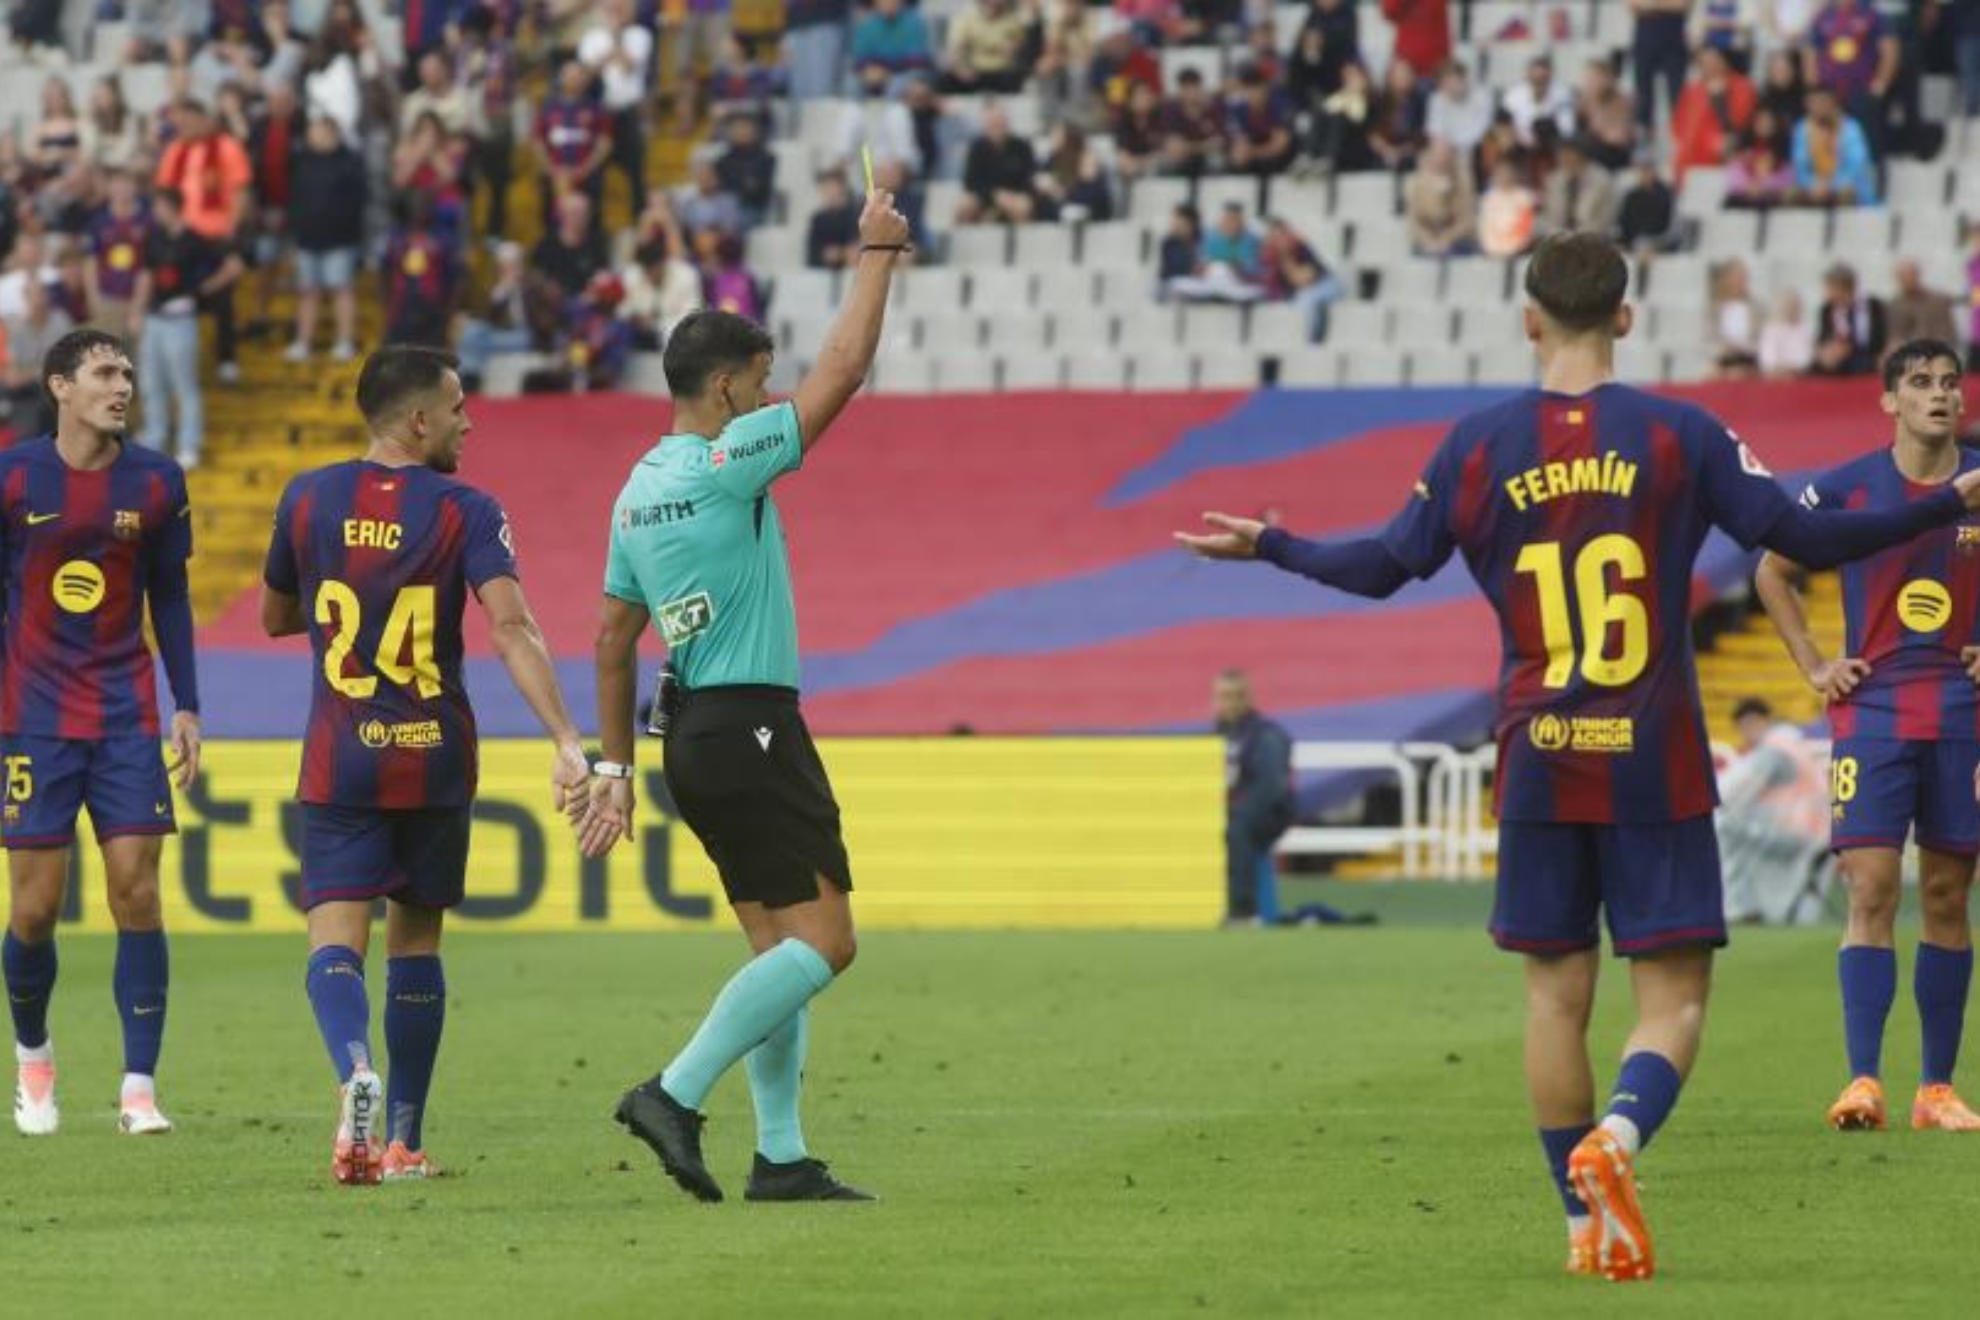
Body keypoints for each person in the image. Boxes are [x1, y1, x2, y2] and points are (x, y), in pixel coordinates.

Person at [1174, 233, 1980, 1282]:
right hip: (1654, 757)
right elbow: (1807, 539)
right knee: (1673, 1000)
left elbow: (1381, 567)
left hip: (1538, 754)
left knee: (1556, 1001)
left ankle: (1578, 1225)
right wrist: (1946, 500)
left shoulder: (1477, 444)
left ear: (1527, 317)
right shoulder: (1681, 434)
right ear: (1629, 317)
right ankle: (1622, 1139)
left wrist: (1272, 544)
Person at [580, 185, 914, 1206]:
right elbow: (846, 371)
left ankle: (781, 1157)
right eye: (761, 381)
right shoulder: (731, 462)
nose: (772, 397)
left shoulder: (636, 490)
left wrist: (614, 774)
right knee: (828, 942)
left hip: (689, 738)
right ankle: (673, 1093)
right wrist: (876, 252)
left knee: (776, 948)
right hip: (755, 721)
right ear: (724, 389)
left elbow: (610, 639)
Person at [258, 345, 590, 1185]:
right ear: (417, 420)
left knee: (335, 939)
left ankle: (352, 1073)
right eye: (456, 407)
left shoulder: (306, 498)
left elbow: (274, 615)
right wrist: (563, 738)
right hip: (435, 756)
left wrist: (352, 610)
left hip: (342, 760)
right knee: (417, 943)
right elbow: (510, 627)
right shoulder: (466, 509)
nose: (468, 421)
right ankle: (402, 1140)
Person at [1751, 339, 1980, 1133]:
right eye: (1920, 384)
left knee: (1949, 894)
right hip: (1874, 710)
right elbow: (1772, 568)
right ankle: (1863, 1081)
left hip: (1963, 711)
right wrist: (1814, 662)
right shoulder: (1846, 489)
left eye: (1950, 383)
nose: (1939, 395)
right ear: (1889, 401)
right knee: (1872, 888)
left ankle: (1937, 1090)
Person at [2, 328, 201, 1139]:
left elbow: (173, 599)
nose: (122, 386)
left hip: (125, 713)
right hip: (35, 720)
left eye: (125, 372)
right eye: (103, 373)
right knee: (35, 911)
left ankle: (139, 1088)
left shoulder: (156, 481)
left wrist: (186, 704)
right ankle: (35, 1061)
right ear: (59, 386)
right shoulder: (14, 475)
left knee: (138, 893)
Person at [1715, 698, 1832, 927]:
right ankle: (1748, 908)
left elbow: (1728, 791)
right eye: (1743, 727)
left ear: (1765, 721)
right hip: (1815, 833)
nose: (1747, 732)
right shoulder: (1794, 744)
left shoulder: (1774, 751)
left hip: (1795, 833)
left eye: (1751, 724)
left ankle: (1738, 909)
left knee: (1723, 823)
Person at [1214, 670, 1292, 926]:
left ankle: (1243, 910)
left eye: (1238, 696)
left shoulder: (1265, 734)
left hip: (1269, 812)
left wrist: (1237, 811)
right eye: (1225, 696)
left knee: (1238, 829)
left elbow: (1272, 786)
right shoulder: (1215, 735)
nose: (1231, 703)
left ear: (1249, 697)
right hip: (1230, 810)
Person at [1886, 259, 1957, 346]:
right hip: (1908, 353)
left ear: (1918, 275)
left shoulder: (1938, 301)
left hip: (1938, 352)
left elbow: (1948, 334)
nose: (1908, 280)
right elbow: (1895, 336)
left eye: (1911, 275)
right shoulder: (1894, 306)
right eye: (1904, 277)